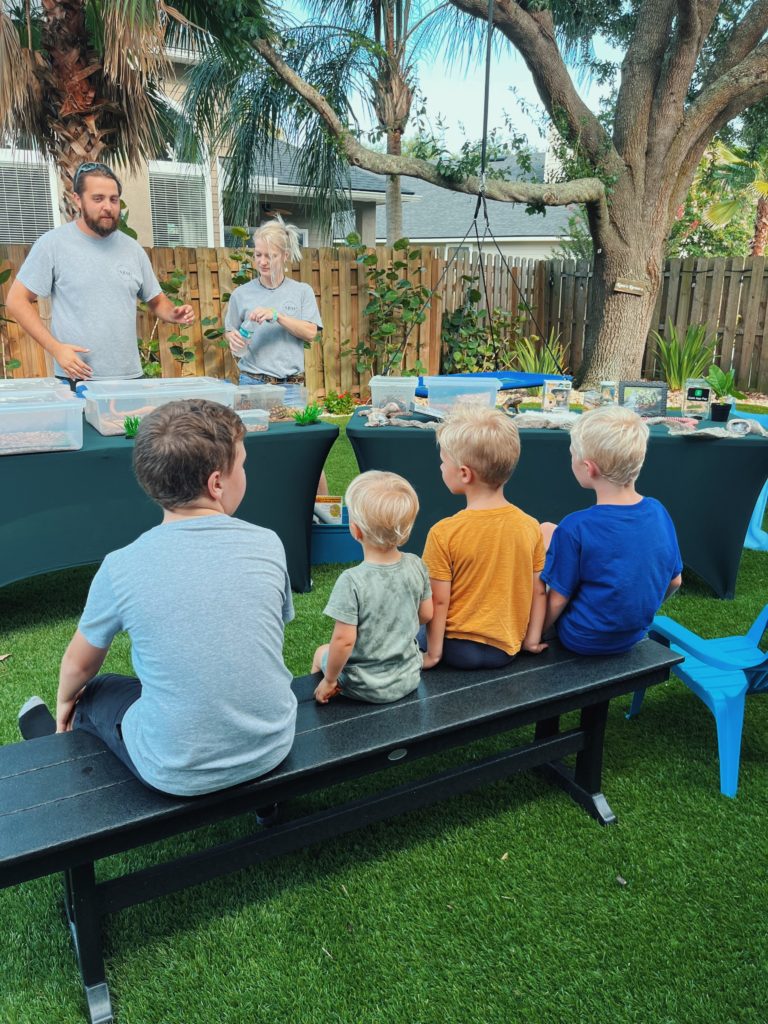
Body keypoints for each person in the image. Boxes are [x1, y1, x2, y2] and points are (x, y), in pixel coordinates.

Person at [18, 399, 297, 799]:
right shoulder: (267, 544)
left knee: (98, 690)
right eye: (243, 465)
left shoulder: (121, 566)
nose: (245, 473)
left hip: (175, 768)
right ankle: (263, 803)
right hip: (272, 743)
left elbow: (79, 663)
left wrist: (65, 702)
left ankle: (61, 737)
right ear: (216, 484)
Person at [6, 161, 195, 387]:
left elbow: (156, 300)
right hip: (76, 378)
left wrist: (173, 313)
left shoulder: (132, 249)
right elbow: (16, 300)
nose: (108, 206)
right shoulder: (52, 245)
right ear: (78, 199)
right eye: (98, 199)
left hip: (130, 378)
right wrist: (56, 348)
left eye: (113, 199)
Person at [540, 404, 683, 655]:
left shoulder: (577, 526)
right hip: (633, 634)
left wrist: (537, 633)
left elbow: (558, 600)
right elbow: (675, 581)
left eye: (572, 454)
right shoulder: (658, 511)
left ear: (589, 468)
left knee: (543, 534)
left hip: (581, 637)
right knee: (550, 530)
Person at [421, 405, 547, 670]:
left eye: (443, 461)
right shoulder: (530, 526)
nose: (440, 467)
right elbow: (538, 590)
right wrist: (532, 641)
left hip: (455, 649)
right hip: (506, 650)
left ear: (464, 474)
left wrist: (433, 655)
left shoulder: (443, 532)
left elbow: (438, 602)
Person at [312, 471, 433, 704]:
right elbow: (426, 614)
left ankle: (323, 702)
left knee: (320, 653)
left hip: (364, 686)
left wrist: (330, 679)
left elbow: (343, 641)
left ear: (356, 530)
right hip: (408, 677)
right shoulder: (416, 565)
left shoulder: (352, 580)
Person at [224, 218, 322, 408]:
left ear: (285, 256)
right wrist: (232, 337)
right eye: (258, 254)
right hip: (252, 384)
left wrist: (277, 316)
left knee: (293, 429)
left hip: (291, 388)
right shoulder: (241, 294)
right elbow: (230, 330)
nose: (262, 262)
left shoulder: (302, 291)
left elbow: (310, 333)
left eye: (270, 256)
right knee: (251, 429)